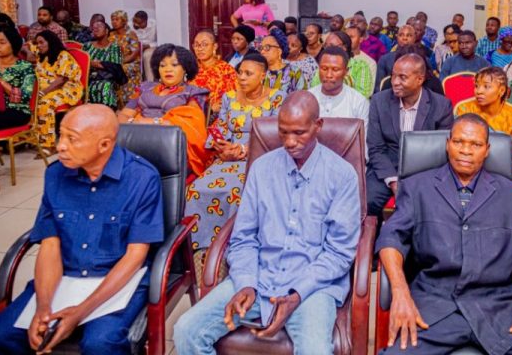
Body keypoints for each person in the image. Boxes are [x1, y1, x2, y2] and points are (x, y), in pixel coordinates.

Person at [173, 91, 361, 355]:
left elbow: (339, 253)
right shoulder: (262, 169)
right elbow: (243, 237)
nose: (290, 142)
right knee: (186, 330)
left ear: (318, 126)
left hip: (312, 287)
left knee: (316, 350)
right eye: (283, 132)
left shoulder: (342, 175)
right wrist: (246, 283)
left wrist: (296, 294)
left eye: (299, 133)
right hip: (260, 275)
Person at [0, 104, 164, 354]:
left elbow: (136, 255)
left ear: (104, 145)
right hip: (65, 277)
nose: (60, 146)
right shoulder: (55, 174)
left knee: (100, 344)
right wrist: (43, 308)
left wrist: (81, 311)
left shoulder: (141, 178)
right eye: (61, 135)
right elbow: (50, 245)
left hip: (117, 282)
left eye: (72, 139)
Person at [376, 113, 512, 354]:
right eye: (458, 142)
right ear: (448, 144)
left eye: (475, 144)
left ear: (487, 150)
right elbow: (391, 238)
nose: (465, 150)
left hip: (499, 310)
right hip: (433, 308)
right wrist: (401, 292)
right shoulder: (417, 187)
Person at [185, 53, 284, 251]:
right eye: (240, 72)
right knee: (195, 189)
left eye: (249, 74)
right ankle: (200, 248)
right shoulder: (229, 97)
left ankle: (232, 246)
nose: (242, 78)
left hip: (260, 157)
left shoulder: (278, 98)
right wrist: (220, 146)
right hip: (227, 157)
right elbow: (221, 127)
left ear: (263, 75)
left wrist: (244, 150)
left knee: (235, 191)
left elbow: (276, 136)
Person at [367, 54, 453, 217]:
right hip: (387, 168)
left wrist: (416, 181)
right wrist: (393, 181)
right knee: (368, 200)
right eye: (393, 75)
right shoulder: (379, 101)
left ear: (420, 79)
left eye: (402, 77)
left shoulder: (441, 105)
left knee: (431, 205)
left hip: (425, 170)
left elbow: (442, 151)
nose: (395, 82)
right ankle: (375, 233)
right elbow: (376, 147)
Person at [118, 44, 212, 176]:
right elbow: (124, 115)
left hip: (168, 145)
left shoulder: (192, 93)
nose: (168, 69)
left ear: (185, 68)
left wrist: (148, 122)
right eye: (162, 65)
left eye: (174, 65)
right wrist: (133, 124)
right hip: (136, 139)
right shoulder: (145, 88)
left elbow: (191, 124)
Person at [0, 27, 35, 198]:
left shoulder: (25, 67)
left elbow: (24, 97)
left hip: (16, 111)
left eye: (2, 42)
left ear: (13, 45)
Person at [456, 66, 512, 179]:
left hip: (501, 174)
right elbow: (457, 146)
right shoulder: (465, 109)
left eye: (486, 86)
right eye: (476, 86)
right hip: (467, 170)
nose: (479, 91)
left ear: (502, 90)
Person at [34, 30, 84, 149]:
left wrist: (43, 92)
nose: (38, 46)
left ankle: (48, 144)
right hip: (49, 88)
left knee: (44, 103)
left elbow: (61, 80)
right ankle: (34, 138)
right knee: (30, 101)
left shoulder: (63, 55)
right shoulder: (42, 57)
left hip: (67, 89)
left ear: (50, 42)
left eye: (41, 42)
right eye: (37, 43)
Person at [309, 46, 369, 133]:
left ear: (346, 72)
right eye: (324, 69)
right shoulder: (307, 98)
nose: (329, 75)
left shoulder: (358, 102)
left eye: (335, 70)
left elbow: (362, 139)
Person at [309, 31, 373, 98]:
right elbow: (315, 88)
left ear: (344, 47)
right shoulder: (324, 65)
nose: (327, 49)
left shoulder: (360, 66)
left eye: (332, 46)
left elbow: (362, 95)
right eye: (326, 46)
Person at [190, 30, 240, 114]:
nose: (200, 48)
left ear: (214, 46)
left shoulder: (226, 70)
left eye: (204, 44)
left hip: (220, 115)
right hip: (193, 114)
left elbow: (235, 96)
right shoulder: (190, 69)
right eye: (196, 45)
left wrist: (213, 109)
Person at [83, 21, 124, 109]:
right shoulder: (87, 46)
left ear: (106, 31)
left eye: (99, 26)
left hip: (107, 79)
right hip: (87, 78)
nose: (96, 29)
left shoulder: (114, 47)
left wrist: (95, 64)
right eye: (94, 28)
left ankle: (107, 112)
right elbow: (82, 63)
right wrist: (95, 63)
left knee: (105, 87)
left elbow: (115, 67)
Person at [108, 10, 141, 109]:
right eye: (112, 20)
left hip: (130, 62)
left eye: (117, 19)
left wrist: (120, 62)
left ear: (124, 21)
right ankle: (115, 102)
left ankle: (129, 102)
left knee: (121, 69)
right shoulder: (111, 35)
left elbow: (134, 54)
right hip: (115, 62)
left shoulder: (131, 34)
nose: (114, 22)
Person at [260, 27, 306, 94]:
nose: (262, 52)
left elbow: (302, 96)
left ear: (279, 51)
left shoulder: (294, 72)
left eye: (267, 47)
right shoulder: (258, 71)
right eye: (261, 48)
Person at [374, 24, 418, 91]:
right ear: (397, 37)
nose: (405, 38)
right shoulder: (385, 59)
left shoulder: (422, 60)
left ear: (414, 38)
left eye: (409, 35)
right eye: (401, 35)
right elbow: (378, 87)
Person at [132, 10, 157, 81]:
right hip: (135, 48)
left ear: (145, 21)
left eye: (139, 23)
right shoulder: (130, 25)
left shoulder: (154, 24)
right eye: (135, 21)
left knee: (147, 55)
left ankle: (150, 81)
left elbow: (161, 40)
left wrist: (148, 46)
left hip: (150, 47)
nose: (136, 24)